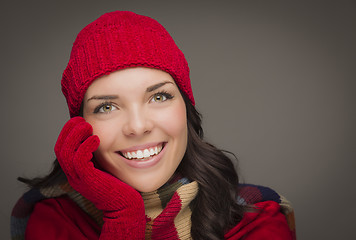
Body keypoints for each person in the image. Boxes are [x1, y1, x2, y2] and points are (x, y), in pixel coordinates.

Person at [11, 11, 296, 240]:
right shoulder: (55, 219)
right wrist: (123, 215)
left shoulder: (255, 217)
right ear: (80, 127)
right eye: (106, 107)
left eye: (159, 97)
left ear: (185, 108)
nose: (137, 127)